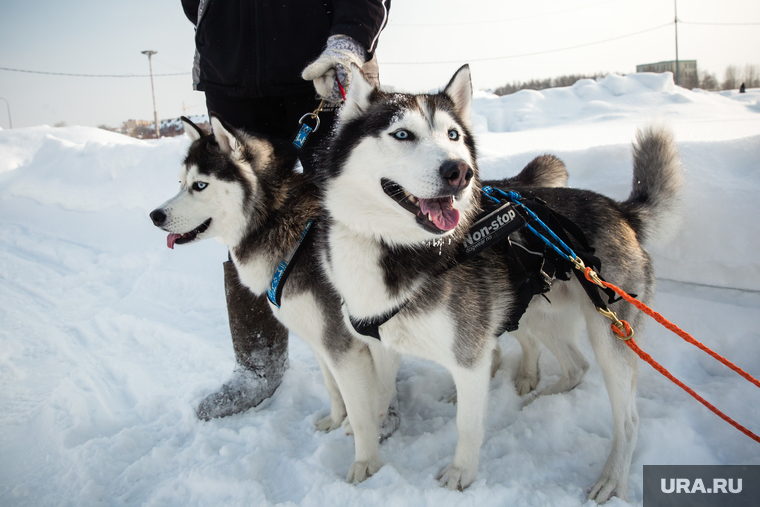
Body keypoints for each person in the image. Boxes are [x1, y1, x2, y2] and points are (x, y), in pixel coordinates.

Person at [180, 0, 390, 420]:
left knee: (358, 217)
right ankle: (259, 365)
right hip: (232, 76)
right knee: (240, 223)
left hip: (322, 65)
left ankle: (380, 371)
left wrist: (349, 38)